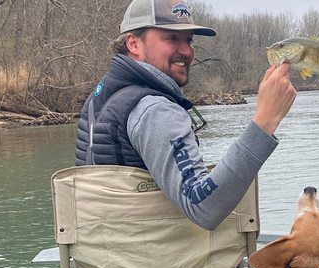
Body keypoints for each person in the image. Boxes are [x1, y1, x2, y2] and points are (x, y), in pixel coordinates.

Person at [75, 0, 297, 231]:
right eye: (171, 38)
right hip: (158, 263)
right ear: (133, 43)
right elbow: (204, 206)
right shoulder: (154, 110)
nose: (187, 51)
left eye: (189, 40)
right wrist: (265, 121)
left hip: (105, 258)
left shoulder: (100, 98)